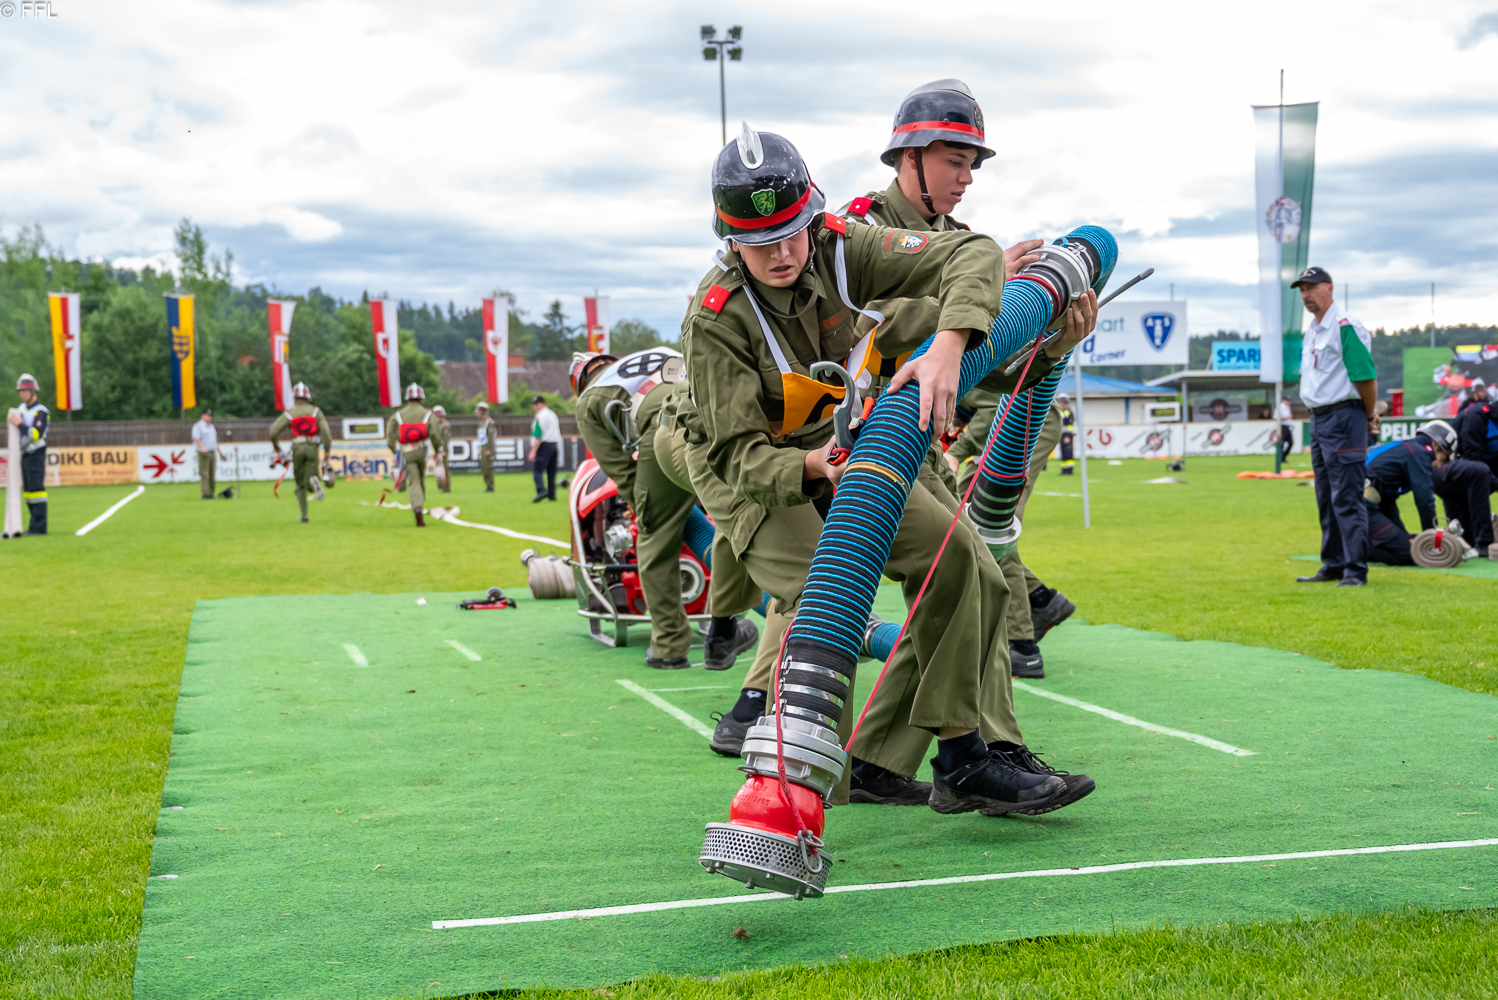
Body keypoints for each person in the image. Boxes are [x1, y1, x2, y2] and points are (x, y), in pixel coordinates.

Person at [680, 125, 1097, 819]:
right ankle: (799, 790)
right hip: (757, 471)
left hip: (847, 444)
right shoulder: (716, 321)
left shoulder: (842, 247)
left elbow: (973, 253)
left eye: (792, 232)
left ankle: (963, 759)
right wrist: (813, 465)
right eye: (759, 242)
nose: (782, 254)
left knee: (963, 562)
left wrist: (949, 348)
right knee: (825, 591)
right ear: (729, 242)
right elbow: (735, 456)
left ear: (813, 217)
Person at [573, 349, 760, 671]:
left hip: (666, 426)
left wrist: (655, 510)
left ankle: (669, 645)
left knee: (655, 537)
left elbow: (622, 473)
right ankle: (725, 624)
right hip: (724, 413)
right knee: (737, 514)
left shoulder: (590, 399)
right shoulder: (657, 353)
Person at [948, 392, 1076, 678]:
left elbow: (994, 404)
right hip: (997, 428)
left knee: (991, 526)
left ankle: (1023, 648)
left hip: (1025, 420)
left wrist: (956, 452)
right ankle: (1040, 599)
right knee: (965, 517)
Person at [1291, 267, 1378, 587]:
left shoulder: (1345, 326)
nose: (1306, 294)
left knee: (1347, 496)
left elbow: (1365, 377)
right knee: (1326, 496)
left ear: (1329, 288)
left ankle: (1355, 570)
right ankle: (1334, 563)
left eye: (1312, 287)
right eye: (1302, 289)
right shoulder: (1313, 331)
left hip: (1343, 416)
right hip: (1318, 418)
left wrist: (1368, 415)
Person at [1362, 420, 1454, 565]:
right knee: (1413, 554)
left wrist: (1403, 535)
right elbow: (1424, 499)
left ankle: (1350, 544)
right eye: (1444, 457)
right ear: (1436, 444)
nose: (1439, 465)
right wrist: (1430, 538)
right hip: (1360, 501)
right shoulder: (1419, 453)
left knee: (1406, 541)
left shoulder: (1404, 447)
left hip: (1357, 498)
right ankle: (1349, 549)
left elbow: (1386, 500)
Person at [269, 382, 333, 524]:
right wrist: (327, 451)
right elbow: (326, 434)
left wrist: (277, 447)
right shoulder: (315, 411)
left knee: (299, 484)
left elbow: (273, 432)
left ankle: (304, 516)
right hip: (312, 447)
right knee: (311, 475)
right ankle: (313, 481)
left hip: (297, 447)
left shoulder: (290, 413)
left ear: (295, 397)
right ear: (308, 397)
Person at [385, 383, 444, 527]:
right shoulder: (428, 414)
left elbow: (390, 434)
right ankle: (420, 503)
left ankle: (417, 507)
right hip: (422, 450)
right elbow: (435, 435)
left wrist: (393, 450)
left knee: (414, 480)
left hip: (407, 452)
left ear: (407, 398)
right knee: (421, 478)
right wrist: (437, 451)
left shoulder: (398, 415)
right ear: (421, 398)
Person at [9, 374, 48, 535]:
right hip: (25, 454)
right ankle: (33, 526)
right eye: (21, 391)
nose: (22, 394)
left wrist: (19, 424)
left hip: (36, 453)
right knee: (29, 491)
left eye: (25, 391)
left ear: (33, 392)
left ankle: (40, 527)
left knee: (37, 490)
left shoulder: (41, 411)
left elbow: (36, 434)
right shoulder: (21, 409)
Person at [529, 395, 561, 502]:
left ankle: (541, 490)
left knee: (538, 470)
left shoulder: (539, 416)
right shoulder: (552, 414)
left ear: (542, 404)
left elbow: (537, 434)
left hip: (544, 445)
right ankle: (552, 495)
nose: (535, 407)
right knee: (551, 472)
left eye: (536, 404)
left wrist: (533, 451)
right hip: (554, 444)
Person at [190, 409, 225, 500]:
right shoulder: (198, 426)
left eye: (210, 415)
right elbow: (196, 438)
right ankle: (206, 494)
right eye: (208, 415)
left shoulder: (211, 426)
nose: (210, 417)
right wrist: (202, 447)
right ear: (203, 416)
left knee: (211, 473)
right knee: (204, 474)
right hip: (203, 453)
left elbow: (215, 440)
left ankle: (211, 494)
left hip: (212, 452)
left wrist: (220, 453)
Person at [474, 401, 498, 493]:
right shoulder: (482, 422)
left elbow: (490, 437)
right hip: (483, 446)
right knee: (484, 468)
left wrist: (489, 449)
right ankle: (487, 485)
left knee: (488, 467)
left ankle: (490, 487)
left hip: (487, 447)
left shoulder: (489, 422)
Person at [430, 404, 452, 493]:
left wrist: (444, 450)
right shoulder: (437, 426)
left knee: (444, 468)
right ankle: (442, 486)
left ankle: (446, 487)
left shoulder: (445, 425)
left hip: (443, 450)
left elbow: (445, 440)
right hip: (438, 449)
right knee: (440, 469)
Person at [1057, 393, 1076, 474]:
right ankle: (1064, 470)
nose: (1063, 404)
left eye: (1065, 403)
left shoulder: (1069, 412)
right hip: (1061, 435)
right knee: (1063, 452)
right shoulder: (1061, 412)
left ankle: (1069, 470)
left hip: (1067, 435)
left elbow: (1070, 425)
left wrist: (1068, 436)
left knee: (1068, 452)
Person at [1277, 396, 1295, 462]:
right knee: (1282, 442)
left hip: (1287, 426)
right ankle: (1280, 457)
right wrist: (1287, 418)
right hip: (1282, 426)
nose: (1289, 402)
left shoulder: (1287, 407)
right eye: (1288, 400)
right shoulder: (1280, 407)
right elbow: (1277, 418)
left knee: (1290, 442)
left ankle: (1283, 456)